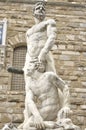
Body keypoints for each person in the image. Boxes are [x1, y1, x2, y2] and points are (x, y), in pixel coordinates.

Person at [18, 1, 76, 130]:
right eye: (38, 7)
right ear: (33, 11)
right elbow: (29, 48)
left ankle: (63, 114)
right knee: (29, 88)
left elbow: (51, 38)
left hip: (44, 58)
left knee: (53, 81)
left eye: (43, 8)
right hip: (31, 60)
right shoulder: (28, 31)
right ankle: (28, 118)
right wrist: (26, 64)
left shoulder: (49, 23)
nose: (41, 9)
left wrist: (42, 55)